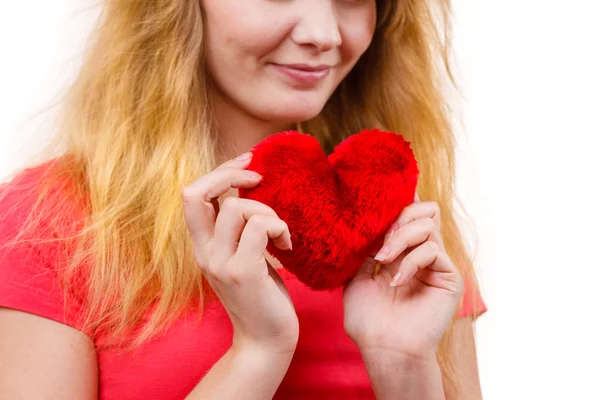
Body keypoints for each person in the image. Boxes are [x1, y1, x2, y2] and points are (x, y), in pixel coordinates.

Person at [0, 0, 487, 399]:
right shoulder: (47, 224)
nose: (325, 33)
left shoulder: (407, 229)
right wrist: (258, 352)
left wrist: (402, 367)